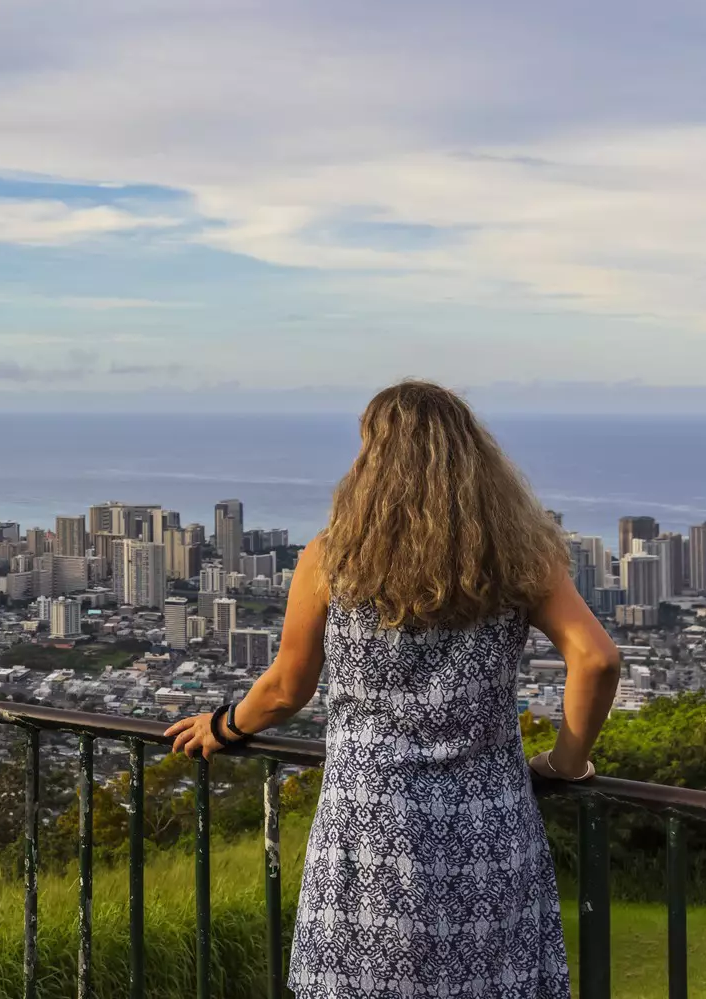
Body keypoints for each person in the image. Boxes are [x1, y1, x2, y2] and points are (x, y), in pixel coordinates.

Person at [167, 380, 621, 998]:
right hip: (488, 834)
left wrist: (222, 727)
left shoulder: (332, 559)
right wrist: (566, 764)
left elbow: (284, 688)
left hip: (368, 830)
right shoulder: (520, 558)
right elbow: (596, 660)